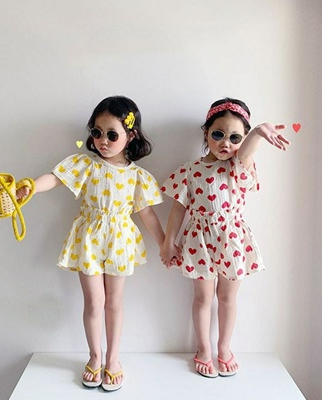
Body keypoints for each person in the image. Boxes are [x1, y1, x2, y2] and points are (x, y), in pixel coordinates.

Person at [17, 96, 165, 391]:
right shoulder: (85, 164)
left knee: (114, 303)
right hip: (89, 240)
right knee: (94, 302)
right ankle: (95, 356)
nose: (103, 141)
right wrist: (31, 187)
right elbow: (56, 178)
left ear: (130, 135)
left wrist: (165, 243)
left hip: (120, 240)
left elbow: (147, 213)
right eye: (97, 132)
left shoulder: (138, 177)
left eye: (112, 134)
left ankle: (113, 358)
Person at [159, 98, 290, 378]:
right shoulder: (190, 169)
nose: (225, 143)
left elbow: (247, 152)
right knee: (203, 298)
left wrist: (258, 133)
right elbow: (178, 209)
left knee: (228, 298)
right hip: (199, 241)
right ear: (206, 132)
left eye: (235, 138)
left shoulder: (238, 166)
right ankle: (203, 349)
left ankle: (224, 348)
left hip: (232, 240)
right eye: (218, 134)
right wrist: (169, 242)